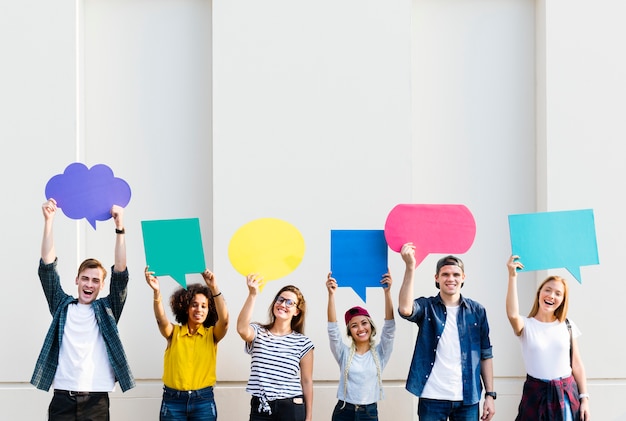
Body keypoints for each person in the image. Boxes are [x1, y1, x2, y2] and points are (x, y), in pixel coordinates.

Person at [31, 198, 135, 420]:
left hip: (96, 400)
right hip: (62, 398)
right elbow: (48, 268)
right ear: (76, 280)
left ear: (101, 285)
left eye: (95, 280)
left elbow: (120, 274)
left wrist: (120, 227)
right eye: (85, 279)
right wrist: (49, 221)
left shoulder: (108, 309)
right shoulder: (62, 306)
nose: (89, 284)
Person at [398, 242, 495, 421]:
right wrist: (410, 267)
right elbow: (405, 309)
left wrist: (490, 394)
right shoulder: (427, 308)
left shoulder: (477, 311)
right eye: (445, 274)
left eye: (456, 274)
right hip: (432, 397)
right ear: (437, 278)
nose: (451, 278)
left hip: (467, 399)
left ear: (463, 277)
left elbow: (485, 354)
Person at [506, 255, 590, 421]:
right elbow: (512, 314)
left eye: (558, 293)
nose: (552, 295)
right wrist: (512, 276)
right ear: (539, 293)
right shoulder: (525, 325)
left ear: (562, 300)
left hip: (565, 394)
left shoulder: (567, 325)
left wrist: (584, 399)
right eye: (548, 290)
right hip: (535, 393)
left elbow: (577, 365)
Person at [144, 266, 229, 421]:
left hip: (203, 401)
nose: (199, 309)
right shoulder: (173, 333)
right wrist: (156, 292)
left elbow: (224, 321)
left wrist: (214, 287)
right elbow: (161, 319)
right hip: (173, 401)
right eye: (194, 305)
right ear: (185, 308)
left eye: (204, 306)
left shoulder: (212, 335)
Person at [236, 274, 314, 421]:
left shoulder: (303, 343)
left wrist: (309, 416)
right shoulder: (257, 332)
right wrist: (253, 294)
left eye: (290, 302)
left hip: (292, 406)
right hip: (261, 407)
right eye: (280, 299)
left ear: (297, 311)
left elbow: (307, 381)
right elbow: (241, 328)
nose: (283, 304)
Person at [325, 271, 396, 421]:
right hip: (344, 410)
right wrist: (331, 295)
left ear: (370, 326)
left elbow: (390, 328)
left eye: (364, 323)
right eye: (354, 326)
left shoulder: (380, 353)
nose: (361, 328)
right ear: (350, 332)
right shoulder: (343, 353)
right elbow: (333, 330)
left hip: (368, 413)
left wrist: (387, 293)